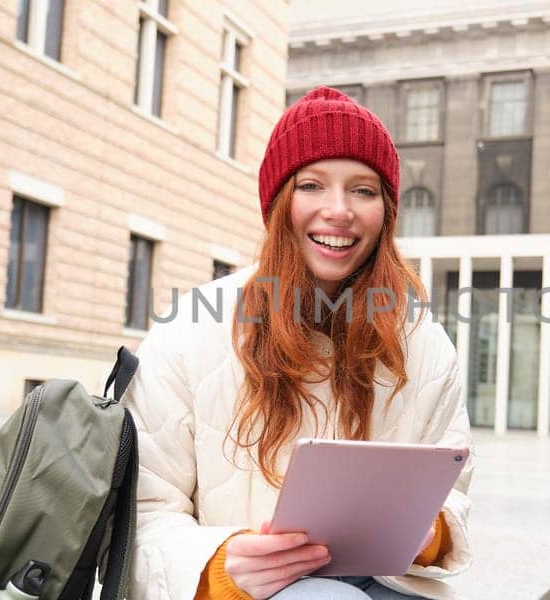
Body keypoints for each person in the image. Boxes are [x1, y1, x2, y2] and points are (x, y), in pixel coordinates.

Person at [124, 87, 472, 600]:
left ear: (387, 212)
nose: (339, 211)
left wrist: (430, 533)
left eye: (363, 190)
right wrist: (218, 569)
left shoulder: (422, 340)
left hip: (387, 582)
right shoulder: (190, 330)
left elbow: (453, 490)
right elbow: (140, 517)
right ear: (279, 203)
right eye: (312, 185)